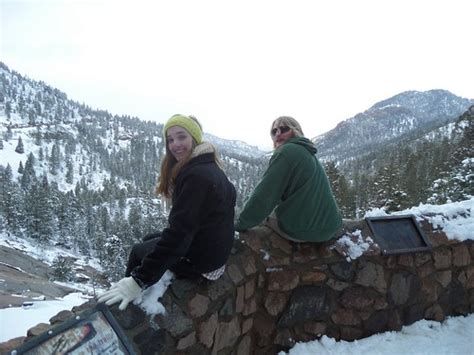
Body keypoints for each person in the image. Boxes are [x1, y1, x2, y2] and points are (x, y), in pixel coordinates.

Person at [99, 114, 236, 310]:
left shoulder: (196, 176)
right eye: (170, 139)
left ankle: (128, 302)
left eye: (182, 137)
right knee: (149, 238)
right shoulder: (209, 166)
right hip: (213, 250)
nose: (175, 144)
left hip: (202, 260)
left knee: (139, 251)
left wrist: (139, 280)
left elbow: (179, 235)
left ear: (195, 139)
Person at [235, 116, 342, 243]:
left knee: (267, 218)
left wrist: (239, 224)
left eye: (284, 129)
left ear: (295, 131)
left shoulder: (286, 152)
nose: (278, 134)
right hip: (331, 226)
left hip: (304, 230)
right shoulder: (307, 151)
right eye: (274, 131)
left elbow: (264, 196)